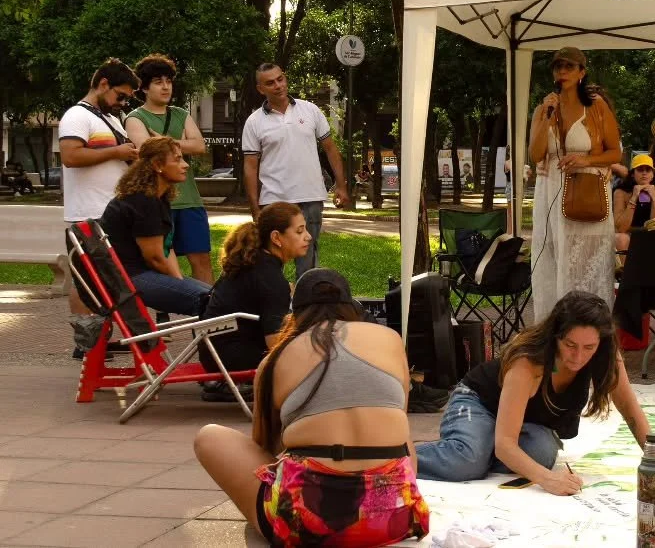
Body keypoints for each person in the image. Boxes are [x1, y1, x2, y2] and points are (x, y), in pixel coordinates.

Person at [194, 269, 429, 546]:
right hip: (395, 517)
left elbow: (264, 451)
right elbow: (401, 431)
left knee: (209, 436)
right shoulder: (388, 338)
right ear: (352, 307)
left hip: (307, 523)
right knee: (398, 427)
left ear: (292, 316)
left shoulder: (275, 360)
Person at [417, 291, 653, 494]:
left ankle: (479, 446)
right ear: (556, 336)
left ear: (601, 342)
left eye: (588, 347)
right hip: (478, 401)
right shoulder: (529, 362)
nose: (578, 357)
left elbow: (629, 407)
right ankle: (399, 455)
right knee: (467, 461)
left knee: (540, 455)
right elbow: (505, 444)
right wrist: (548, 480)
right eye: (570, 345)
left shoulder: (606, 354)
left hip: (524, 421)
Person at [528, 47, 622, 324]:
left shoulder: (596, 106)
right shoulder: (543, 109)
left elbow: (615, 153)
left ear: (582, 72)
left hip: (587, 191)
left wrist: (585, 159)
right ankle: (555, 330)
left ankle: (593, 328)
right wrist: (546, 115)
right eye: (558, 67)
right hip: (551, 193)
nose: (562, 72)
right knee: (553, 260)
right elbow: (536, 155)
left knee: (587, 262)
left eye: (569, 66)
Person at [59, 58, 141, 358]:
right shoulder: (77, 116)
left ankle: (98, 340)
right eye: (120, 95)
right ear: (103, 84)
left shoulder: (110, 118)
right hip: (88, 214)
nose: (122, 103)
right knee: (86, 282)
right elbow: (70, 156)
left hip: (110, 214)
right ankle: (86, 343)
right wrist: (117, 151)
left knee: (105, 281)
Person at [242, 63, 349, 277]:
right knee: (271, 260)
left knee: (308, 260)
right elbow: (250, 166)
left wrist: (341, 186)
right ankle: (275, 306)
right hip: (274, 201)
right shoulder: (254, 122)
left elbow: (330, 149)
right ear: (260, 89)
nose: (278, 85)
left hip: (310, 196)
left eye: (280, 79)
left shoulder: (310, 110)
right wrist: (255, 208)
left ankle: (305, 305)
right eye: (270, 83)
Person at [197, 202, 310, 402]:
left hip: (212, 351)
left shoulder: (252, 261)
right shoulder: (269, 277)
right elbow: (275, 342)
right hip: (230, 358)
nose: (308, 236)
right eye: (299, 231)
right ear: (276, 238)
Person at [99, 137, 212, 320]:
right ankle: (210, 348)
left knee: (221, 298)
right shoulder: (143, 200)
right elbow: (155, 258)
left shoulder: (158, 197)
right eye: (177, 159)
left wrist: (180, 281)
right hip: (128, 277)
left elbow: (166, 249)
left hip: (137, 273)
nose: (185, 165)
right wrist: (180, 285)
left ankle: (212, 347)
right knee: (213, 301)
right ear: (158, 165)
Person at [125, 54, 213, 284]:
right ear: (144, 87)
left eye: (168, 81)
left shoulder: (180, 113)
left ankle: (208, 314)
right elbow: (148, 152)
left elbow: (200, 145)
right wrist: (181, 144)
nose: (165, 87)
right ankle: (164, 313)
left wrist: (165, 140)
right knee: (161, 262)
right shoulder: (135, 118)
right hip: (157, 201)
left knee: (201, 259)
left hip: (191, 200)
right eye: (158, 82)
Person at [613, 154, 655, 252]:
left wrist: (654, 199)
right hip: (629, 235)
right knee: (620, 238)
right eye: (640, 170)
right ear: (632, 174)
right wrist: (634, 197)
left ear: (652, 174)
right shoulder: (621, 192)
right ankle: (625, 267)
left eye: (647, 170)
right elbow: (622, 228)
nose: (644, 173)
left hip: (652, 235)